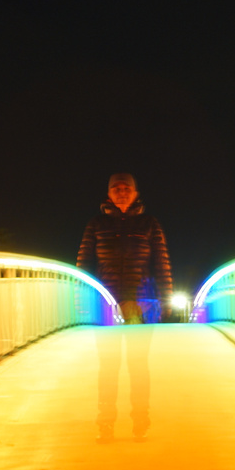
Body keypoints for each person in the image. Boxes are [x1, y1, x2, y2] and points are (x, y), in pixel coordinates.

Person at [76, 173, 171, 441]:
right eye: (116, 188)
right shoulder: (96, 224)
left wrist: (164, 302)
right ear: (108, 193)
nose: (121, 192)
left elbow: (162, 264)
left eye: (126, 188)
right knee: (108, 366)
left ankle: (141, 422)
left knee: (138, 366)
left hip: (142, 304)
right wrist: (83, 301)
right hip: (106, 304)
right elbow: (84, 265)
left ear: (135, 192)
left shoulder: (150, 224)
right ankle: (105, 424)